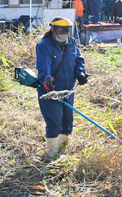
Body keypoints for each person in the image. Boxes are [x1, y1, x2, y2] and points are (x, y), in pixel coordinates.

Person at [36, 17, 88, 160]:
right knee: (55, 120)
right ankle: (52, 154)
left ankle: (63, 150)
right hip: (51, 91)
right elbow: (43, 68)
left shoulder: (71, 43)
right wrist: (48, 82)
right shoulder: (44, 45)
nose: (64, 33)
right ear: (53, 29)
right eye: (61, 30)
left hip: (68, 90)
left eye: (66, 30)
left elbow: (78, 60)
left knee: (67, 120)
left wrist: (81, 73)